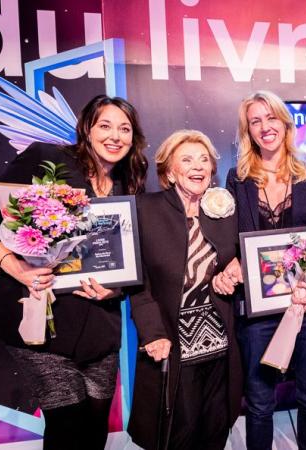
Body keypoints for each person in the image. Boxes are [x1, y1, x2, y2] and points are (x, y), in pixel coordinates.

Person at [0, 95, 148, 449]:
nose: (115, 136)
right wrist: (16, 267)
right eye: (105, 125)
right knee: (68, 426)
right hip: (42, 325)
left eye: (124, 128)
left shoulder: (129, 185)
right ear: (86, 128)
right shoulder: (47, 159)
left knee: (95, 428)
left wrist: (117, 290)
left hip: (100, 329)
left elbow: (134, 260)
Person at [224, 91, 306, 450]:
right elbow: (230, 238)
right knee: (260, 403)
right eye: (255, 121)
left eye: (271, 118)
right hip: (258, 312)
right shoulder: (237, 178)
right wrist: (231, 263)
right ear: (248, 131)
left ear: (285, 123)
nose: (265, 127)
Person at [127, 130, 242, 450]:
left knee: (216, 431)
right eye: (187, 159)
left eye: (204, 159)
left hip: (221, 344)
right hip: (173, 344)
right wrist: (152, 333)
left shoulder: (223, 212)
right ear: (169, 170)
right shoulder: (145, 210)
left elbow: (242, 258)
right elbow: (138, 282)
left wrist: (236, 270)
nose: (198, 166)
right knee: (181, 433)